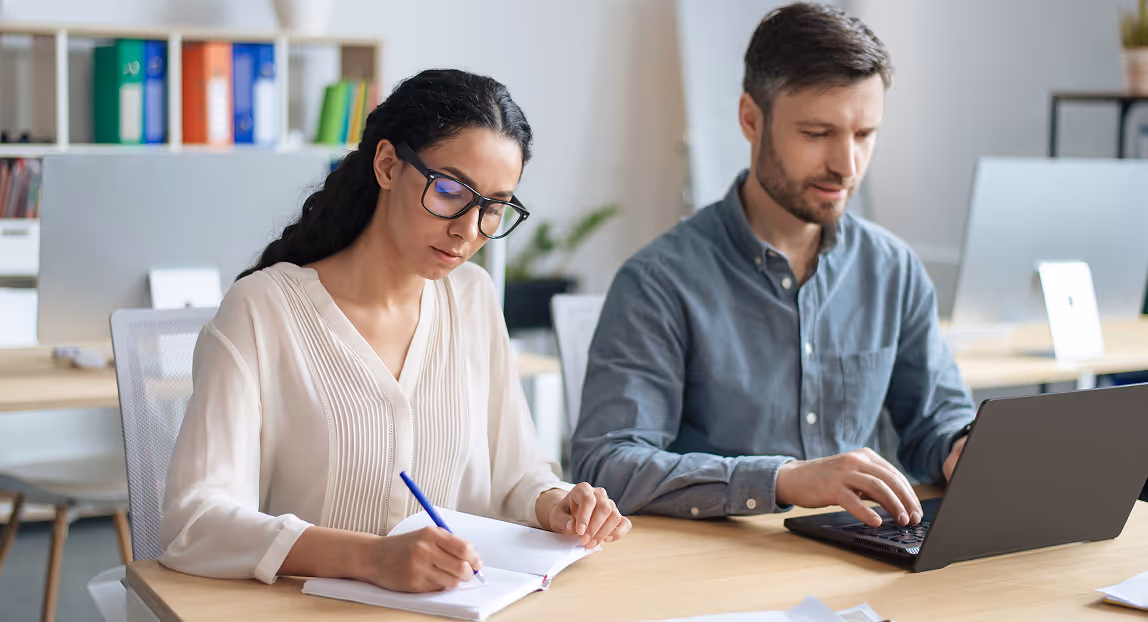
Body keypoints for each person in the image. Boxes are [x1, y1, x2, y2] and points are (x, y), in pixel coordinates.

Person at [160, 69, 631, 594]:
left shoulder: (472, 299)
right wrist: (372, 559)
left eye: (494, 208)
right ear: (388, 165)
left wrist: (557, 504)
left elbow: (515, 473)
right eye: (451, 190)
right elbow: (195, 523)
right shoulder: (261, 312)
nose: (468, 231)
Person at [571, 3, 975, 530]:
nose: (846, 166)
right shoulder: (659, 281)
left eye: (863, 135)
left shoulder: (892, 269)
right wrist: (781, 480)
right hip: (720, 577)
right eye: (817, 133)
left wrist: (960, 448)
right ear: (750, 119)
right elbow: (608, 464)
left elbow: (935, 419)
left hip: (865, 556)